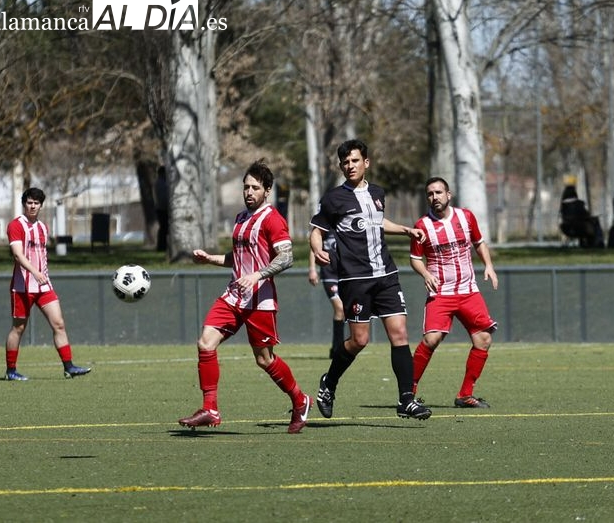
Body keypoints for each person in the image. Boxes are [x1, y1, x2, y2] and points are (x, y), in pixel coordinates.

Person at [178, 159, 312, 434]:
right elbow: (238, 259)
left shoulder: (273, 219)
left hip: (259, 300)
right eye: (246, 187)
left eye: (255, 188)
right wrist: (210, 259)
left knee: (264, 359)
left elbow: (286, 258)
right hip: (233, 296)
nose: (249, 192)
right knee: (205, 343)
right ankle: (210, 408)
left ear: (267, 190)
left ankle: (300, 400)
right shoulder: (241, 218)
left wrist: (258, 276)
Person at [310, 139, 432, 421]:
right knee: (359, 340)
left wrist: (405, 230)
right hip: (356, 279)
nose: (349, 166)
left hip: (386, 274)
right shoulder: (333, 199)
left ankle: (406, 400)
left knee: (400, 334)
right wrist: (316, 247)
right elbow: (316, 229)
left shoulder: (378, 193)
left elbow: (378, 221)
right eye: (345, 162)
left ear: (366, 162)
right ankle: (329, 383)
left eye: (354, 161)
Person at [410, 177, 498, 408]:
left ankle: (465, 395)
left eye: (439, 192)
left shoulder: (466, 217)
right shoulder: (422, 226)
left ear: (449, 195)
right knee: (431, 340)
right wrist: (426, 274)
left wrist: (488, 265)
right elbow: (415, 259)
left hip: (468, 291)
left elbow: (479, 242)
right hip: (441, 293)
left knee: (483, 339)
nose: (434, 197)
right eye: (430, 193)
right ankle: (407, 392)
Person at [4, 187, 92, 381]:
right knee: (18, 328)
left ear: (41, 205)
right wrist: (35, 273)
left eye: (36, 203)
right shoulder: (16, 225)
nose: (32, 206)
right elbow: (18, 255)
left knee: (59, 324)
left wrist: (42, 275)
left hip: (44, 286)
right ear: (24, 203)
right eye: (29, 202)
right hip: (22, 286)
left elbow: (42, 256)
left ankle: (69, 367)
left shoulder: (43, 227)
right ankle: (11, 370)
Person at [308, 230, 344, 359]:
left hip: (345, 273)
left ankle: (339, 348)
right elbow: (314, 246)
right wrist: (312, 269)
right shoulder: (324, 222)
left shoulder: (346, 221)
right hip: (329, 273)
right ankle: (337, 349)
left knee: (345, 310)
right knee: (339, 308)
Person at [155, 165, 169, 251]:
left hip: (162, 208)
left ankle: (163, 246)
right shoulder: (160, 183)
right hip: (162, 209)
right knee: (164, 228)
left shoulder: (162, 182)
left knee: (164, 228)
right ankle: (161, 246)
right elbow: (163, 197)